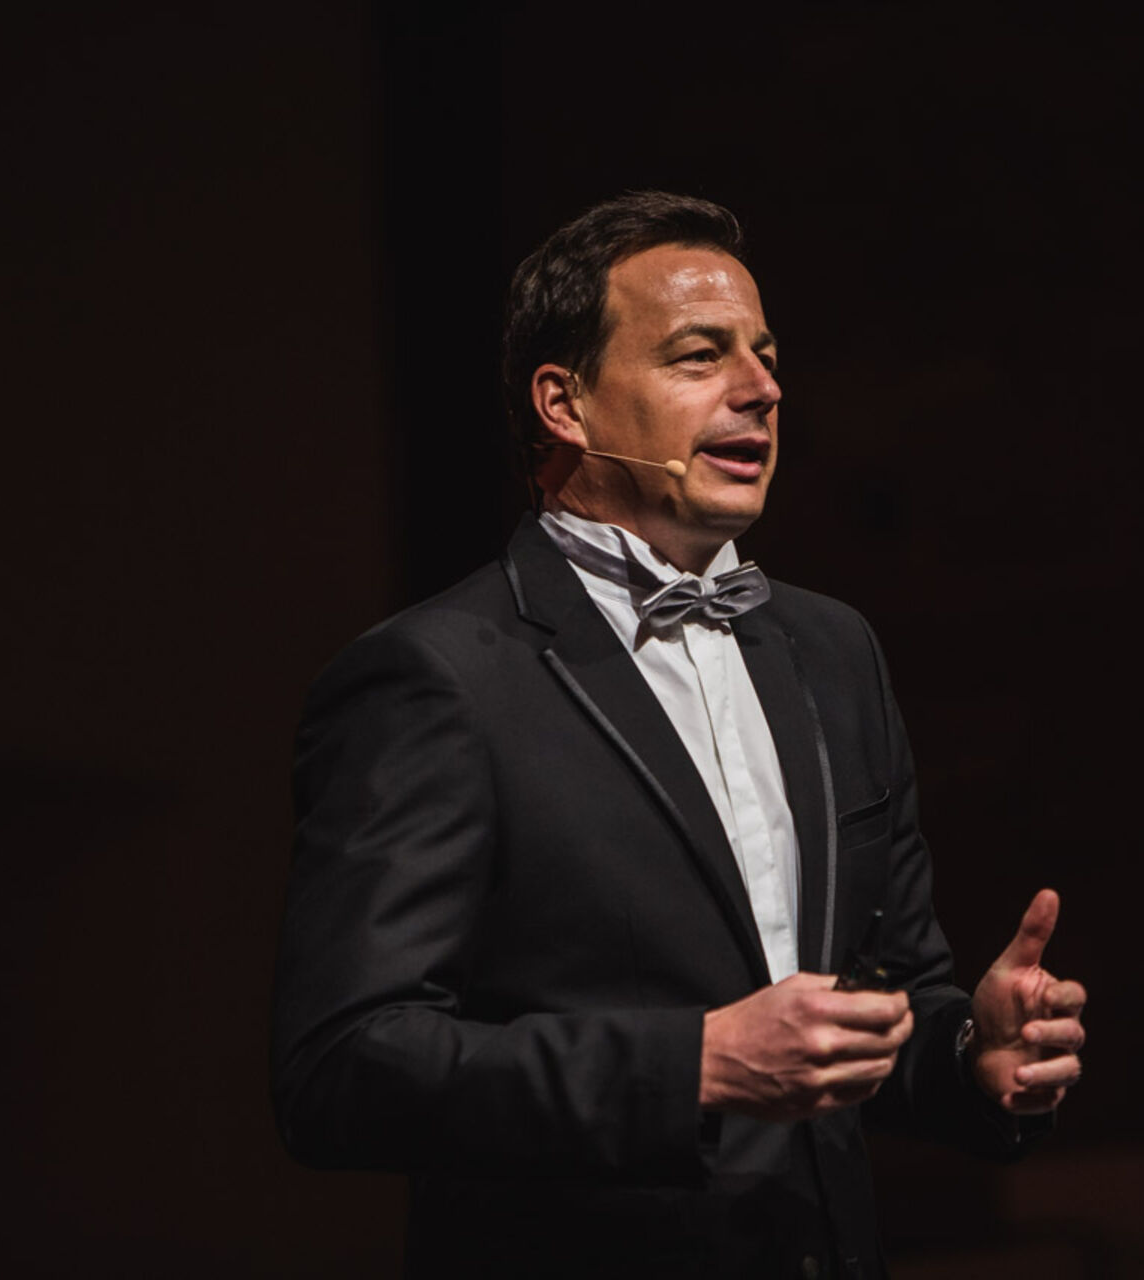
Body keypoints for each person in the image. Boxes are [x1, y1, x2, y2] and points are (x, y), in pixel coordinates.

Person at [271, 192, 1087, 1278]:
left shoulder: (834, 650)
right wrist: (691, 1065)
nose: (763, 388)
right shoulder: (438, 677)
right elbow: (342, 1069)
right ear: (565, 403)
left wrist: (969, 1052)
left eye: (765, 356)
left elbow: (881, 1003)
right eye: (701, 356)